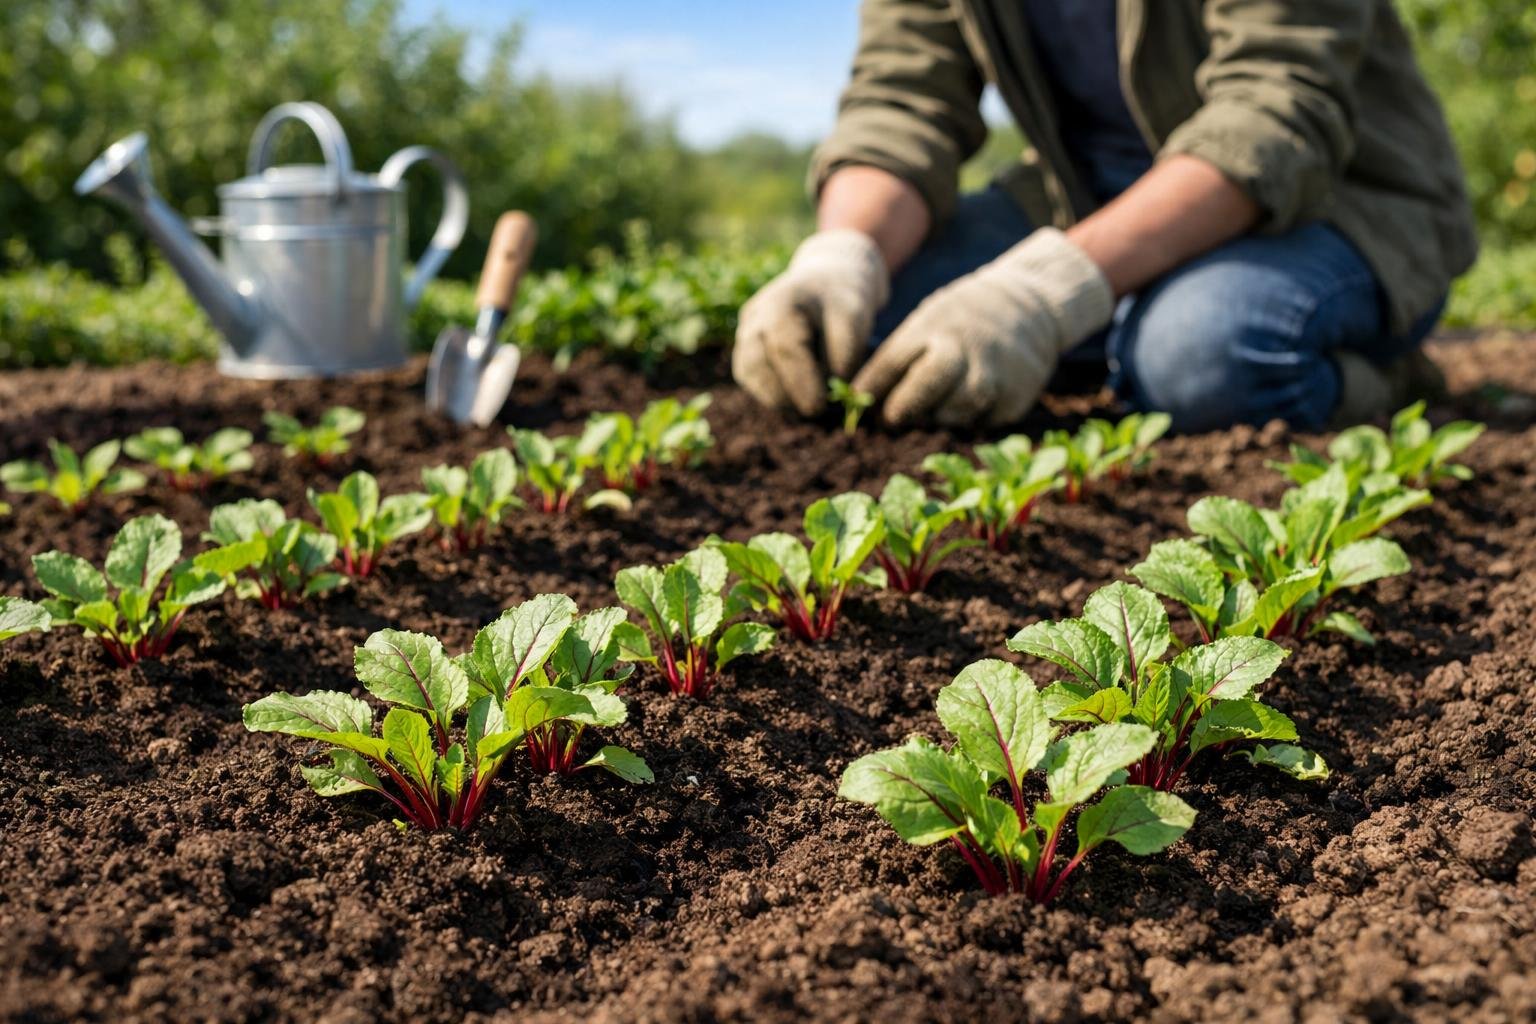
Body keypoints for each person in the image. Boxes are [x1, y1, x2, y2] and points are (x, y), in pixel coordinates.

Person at [733, 1, 1477, 432]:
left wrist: (1042, 292)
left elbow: (1278, 114)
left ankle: (1385, 377)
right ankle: (1125, 320)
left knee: (1199, 362)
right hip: (1091, 196)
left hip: (1331, 200)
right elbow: (900, 103)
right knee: (870, 325)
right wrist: (843, 256)